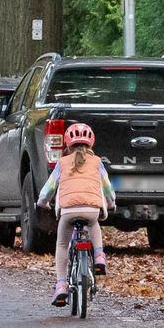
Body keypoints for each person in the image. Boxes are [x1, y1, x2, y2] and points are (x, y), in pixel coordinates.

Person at [35, 123, 117, 307]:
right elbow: (107, 188)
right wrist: (111, 202)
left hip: (68, 211)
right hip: (91, 209)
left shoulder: (62, 163)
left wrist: (42, 203)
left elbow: (48, 189)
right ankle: (99, 255)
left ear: (67, 145)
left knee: (62, 244)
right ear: (91, 144)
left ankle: (61, 284)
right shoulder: (97, 163)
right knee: (94, 223)